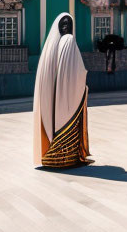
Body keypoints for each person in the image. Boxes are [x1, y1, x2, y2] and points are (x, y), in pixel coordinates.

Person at [33, 13, 92, 168]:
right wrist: (83, 79)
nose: (67, 28)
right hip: (69, 100)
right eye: (65, 25)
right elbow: (74, 72)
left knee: (57, 124)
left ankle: (53, 156)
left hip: (54, 102)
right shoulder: (69, 41)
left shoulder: (50, 47)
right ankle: (65, 158)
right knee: (67, 125)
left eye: (68, 25)